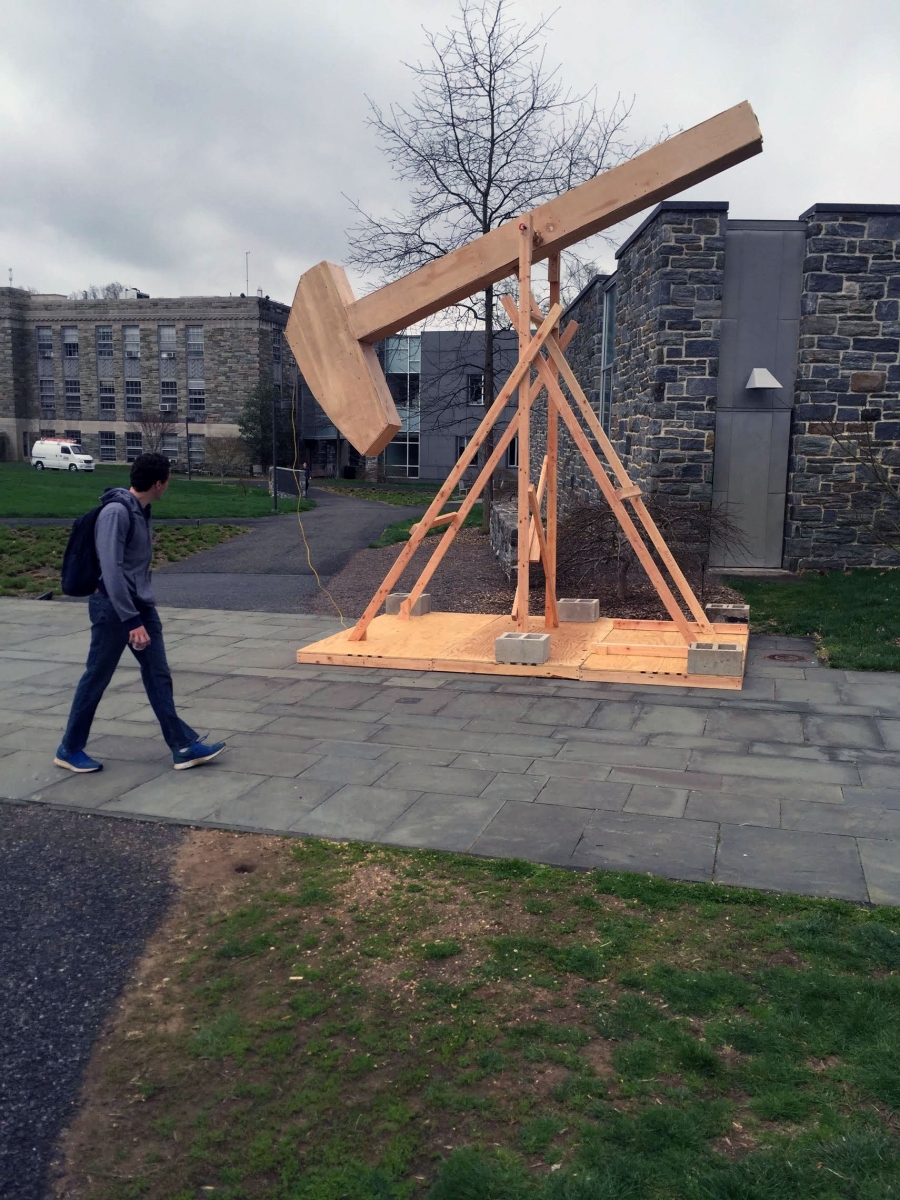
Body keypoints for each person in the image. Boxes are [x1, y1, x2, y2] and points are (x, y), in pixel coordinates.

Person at [54, 453, 226, 774]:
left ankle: (183, 746)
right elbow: (112, 571)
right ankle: (69, 748)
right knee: (97, 677)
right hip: (113, 609)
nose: (169, 485)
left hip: (141, 607)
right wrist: (131, 620)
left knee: (158, 675)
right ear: (159, 483)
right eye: (168, 480)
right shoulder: (117, 513)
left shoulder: (142, 510)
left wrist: (141, 612)